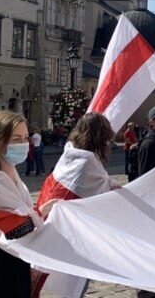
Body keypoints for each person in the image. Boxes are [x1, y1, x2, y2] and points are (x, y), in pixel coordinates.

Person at [35, 112, 121, 297]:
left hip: (53, 223)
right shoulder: (88, 161)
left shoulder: (70, 152)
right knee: (73, 279)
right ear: (101, 136)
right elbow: (100, 191)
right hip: (72, 232)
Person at [0, 111, 53, 297]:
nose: (23, 144)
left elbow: (20, 214)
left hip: (17, 263)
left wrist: (40, 211)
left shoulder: (12, 173)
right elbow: (11, 225)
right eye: (16, 139)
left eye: (25, 138)